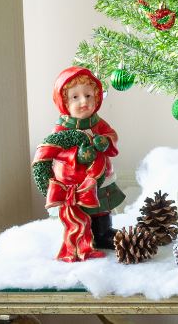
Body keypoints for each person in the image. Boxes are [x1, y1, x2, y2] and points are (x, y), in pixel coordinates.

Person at [31, 67, 126, 260]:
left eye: (88, 95)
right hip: (77, 183)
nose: (84, 101)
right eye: (75, 97)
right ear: (64, 102)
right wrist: (78, 156)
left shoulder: (98, 123)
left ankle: (103, 232)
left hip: (101, 177)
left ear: (97, 97)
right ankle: (83, 236)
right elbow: (54, 153)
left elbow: (112, 136)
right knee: (82, 210)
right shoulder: (61, 130)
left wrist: (106, 140)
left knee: (101, 206)